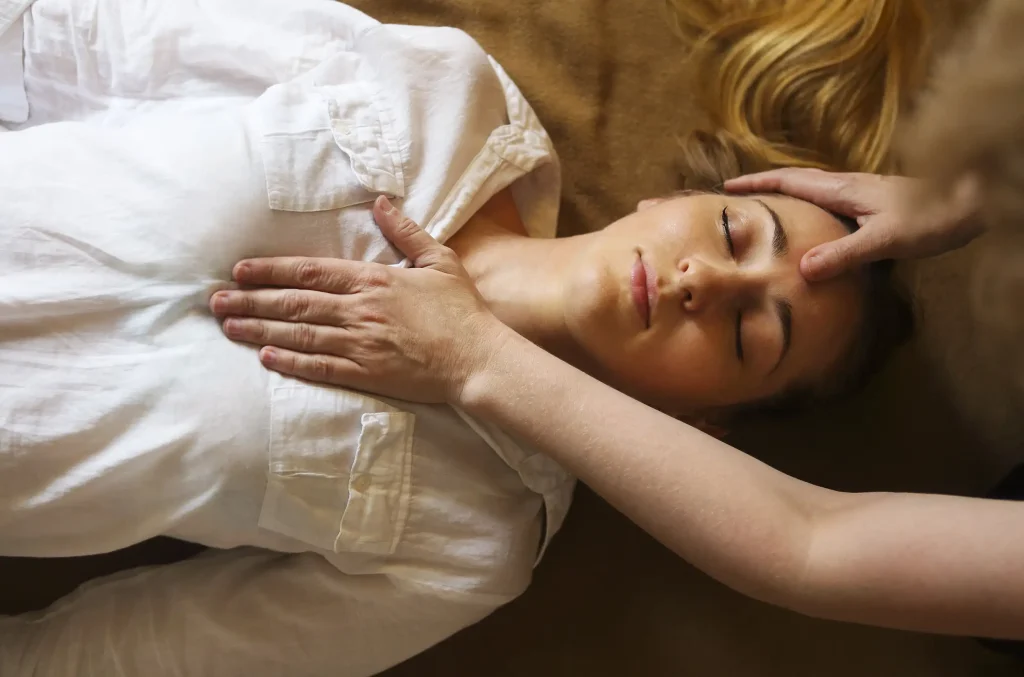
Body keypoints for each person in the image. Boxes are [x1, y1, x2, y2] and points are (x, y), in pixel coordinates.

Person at [0, 0, 921, 674]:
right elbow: (56, 45)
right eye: (732, 235)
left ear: (703, 430)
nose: (705, 283)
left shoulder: (472, 544)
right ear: (676, 198)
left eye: (751, 332)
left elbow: (129, 656)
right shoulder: (440, 94)